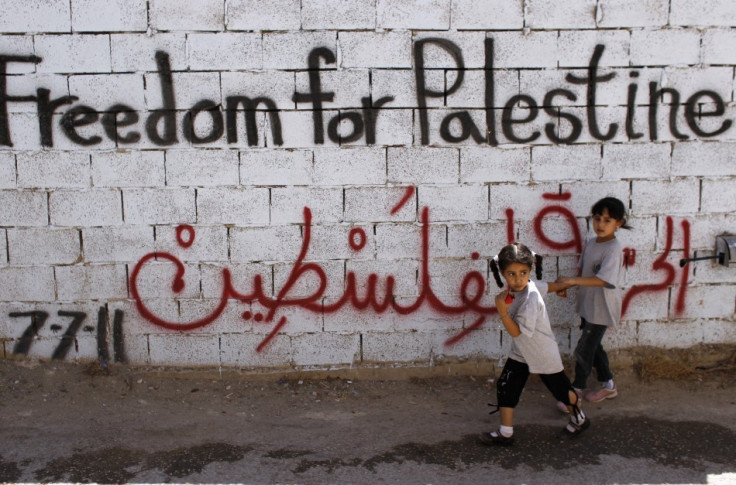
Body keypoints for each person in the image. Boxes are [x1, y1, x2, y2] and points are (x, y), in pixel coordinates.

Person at [479, 242, 588, 446]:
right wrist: (563, 286)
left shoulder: (531, 299)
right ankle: (506, 432)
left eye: (523, 272)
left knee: (562, 391)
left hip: (542, 354)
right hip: (521, 352)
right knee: (506, 386)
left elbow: (517, 332)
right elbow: (550, 286)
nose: (518, 279)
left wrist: (502, 311)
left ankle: (580, 419)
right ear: (502, 273)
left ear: (529, 270)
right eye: (511, 274)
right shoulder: (531, 284)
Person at [555, 196, 630, 409]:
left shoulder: (613, 249)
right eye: (598, 219)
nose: (601, 224)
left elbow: (603, 280)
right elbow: (584, 271)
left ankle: (575, 391)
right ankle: (608, 384)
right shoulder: (591, 243)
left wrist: (572, 280)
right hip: (588, 305)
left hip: (602, 309)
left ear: (619, 224)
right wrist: (566, 285)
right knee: (595, 348)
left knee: (584, 350)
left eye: (608, 220)